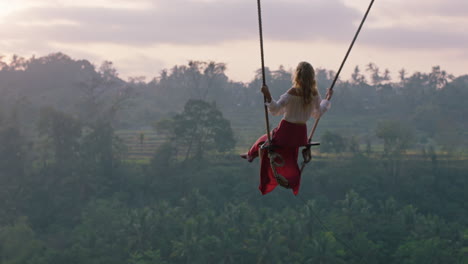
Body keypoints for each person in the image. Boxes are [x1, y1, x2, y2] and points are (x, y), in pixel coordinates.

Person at [241, 61, 333, 195]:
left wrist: (268, 95)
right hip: (300, 135)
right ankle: (251, 155)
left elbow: (276, 110)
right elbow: (317, 113)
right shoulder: (314, 94)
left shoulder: (293, 91)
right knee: (287, 153)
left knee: (264, 141)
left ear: (297, 76)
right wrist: (327, 99)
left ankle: (250, 155)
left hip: (286, 132)